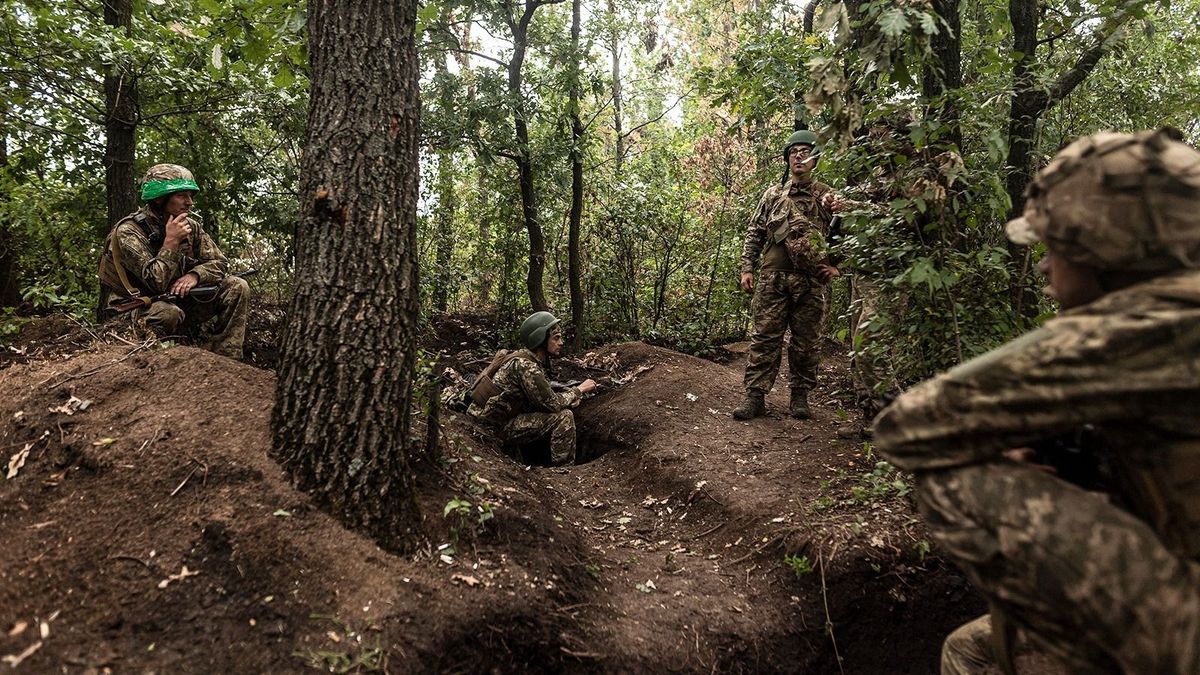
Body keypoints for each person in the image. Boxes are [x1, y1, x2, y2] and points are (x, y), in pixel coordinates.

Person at [873, 128, 1200, 674]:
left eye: (1055, 248)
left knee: (954, 480)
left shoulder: (1145, 324)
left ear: (1102, 249)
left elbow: (906, 428)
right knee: (972, 650)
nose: (1044, 267)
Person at [733, 129, 846, 420]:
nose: (799, 155)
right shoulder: (773, 195)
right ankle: (755, 396)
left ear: (815, 159)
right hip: (773, 278)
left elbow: (845, 236)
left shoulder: (827, 196)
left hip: (810, 280)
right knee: (764, 338)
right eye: (794, 152)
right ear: (787, 159)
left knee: (806, 341)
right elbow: (755, 232)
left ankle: (800, 396)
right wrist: (747, 267)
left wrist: (838, 267)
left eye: (805, 151)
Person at [98, 164, 249, 359]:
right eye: (181, 195)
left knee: (237, 286)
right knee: (168, 314)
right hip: (134, 310)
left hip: (178, 302)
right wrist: (171, 242)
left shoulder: (190, 226)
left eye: (191, 196)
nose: (189, 202)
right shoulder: (129, 232)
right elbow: (156, 282)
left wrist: (195, 275)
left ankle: (225, 358)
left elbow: (219, 262)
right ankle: (159, 361)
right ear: (159, 198)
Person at [468, 312, 597, 465]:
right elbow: (553, 404)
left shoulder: (522, 358)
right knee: (564, 417)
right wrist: (579, 390)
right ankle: (564, 471)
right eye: (556, 338)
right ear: (540, 339)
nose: (561, 342)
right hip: (491, 427)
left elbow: (537, 398)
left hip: (487, 420)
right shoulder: (527, 366)